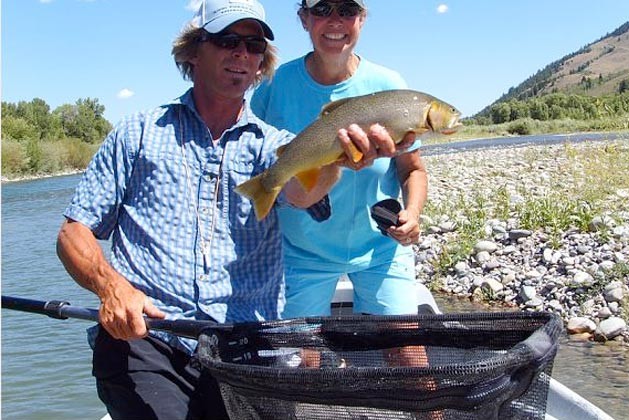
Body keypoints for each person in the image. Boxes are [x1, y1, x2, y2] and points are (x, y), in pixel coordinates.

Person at [55, 0, 404, 418]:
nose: (242, 54)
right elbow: (73, 233)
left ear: (261, 64)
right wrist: (111, 287)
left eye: (254, 46)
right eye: (226, 41)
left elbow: (301, 193)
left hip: (247, 346)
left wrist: (334, 162)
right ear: (191, 52)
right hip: (148, 337)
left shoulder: (275, 145)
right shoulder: (137, 133)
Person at [251, 0, 428, 319]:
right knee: (304, 364)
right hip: (301, 254)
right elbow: (253, 158)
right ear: (304, 19)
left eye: (347, 9)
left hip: (381, 249)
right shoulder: (273, 87)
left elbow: (412, 169)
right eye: (321, 10)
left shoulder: (390, 86)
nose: (335, 21)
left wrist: (412, 214)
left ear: (361, 19)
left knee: (407, 357)